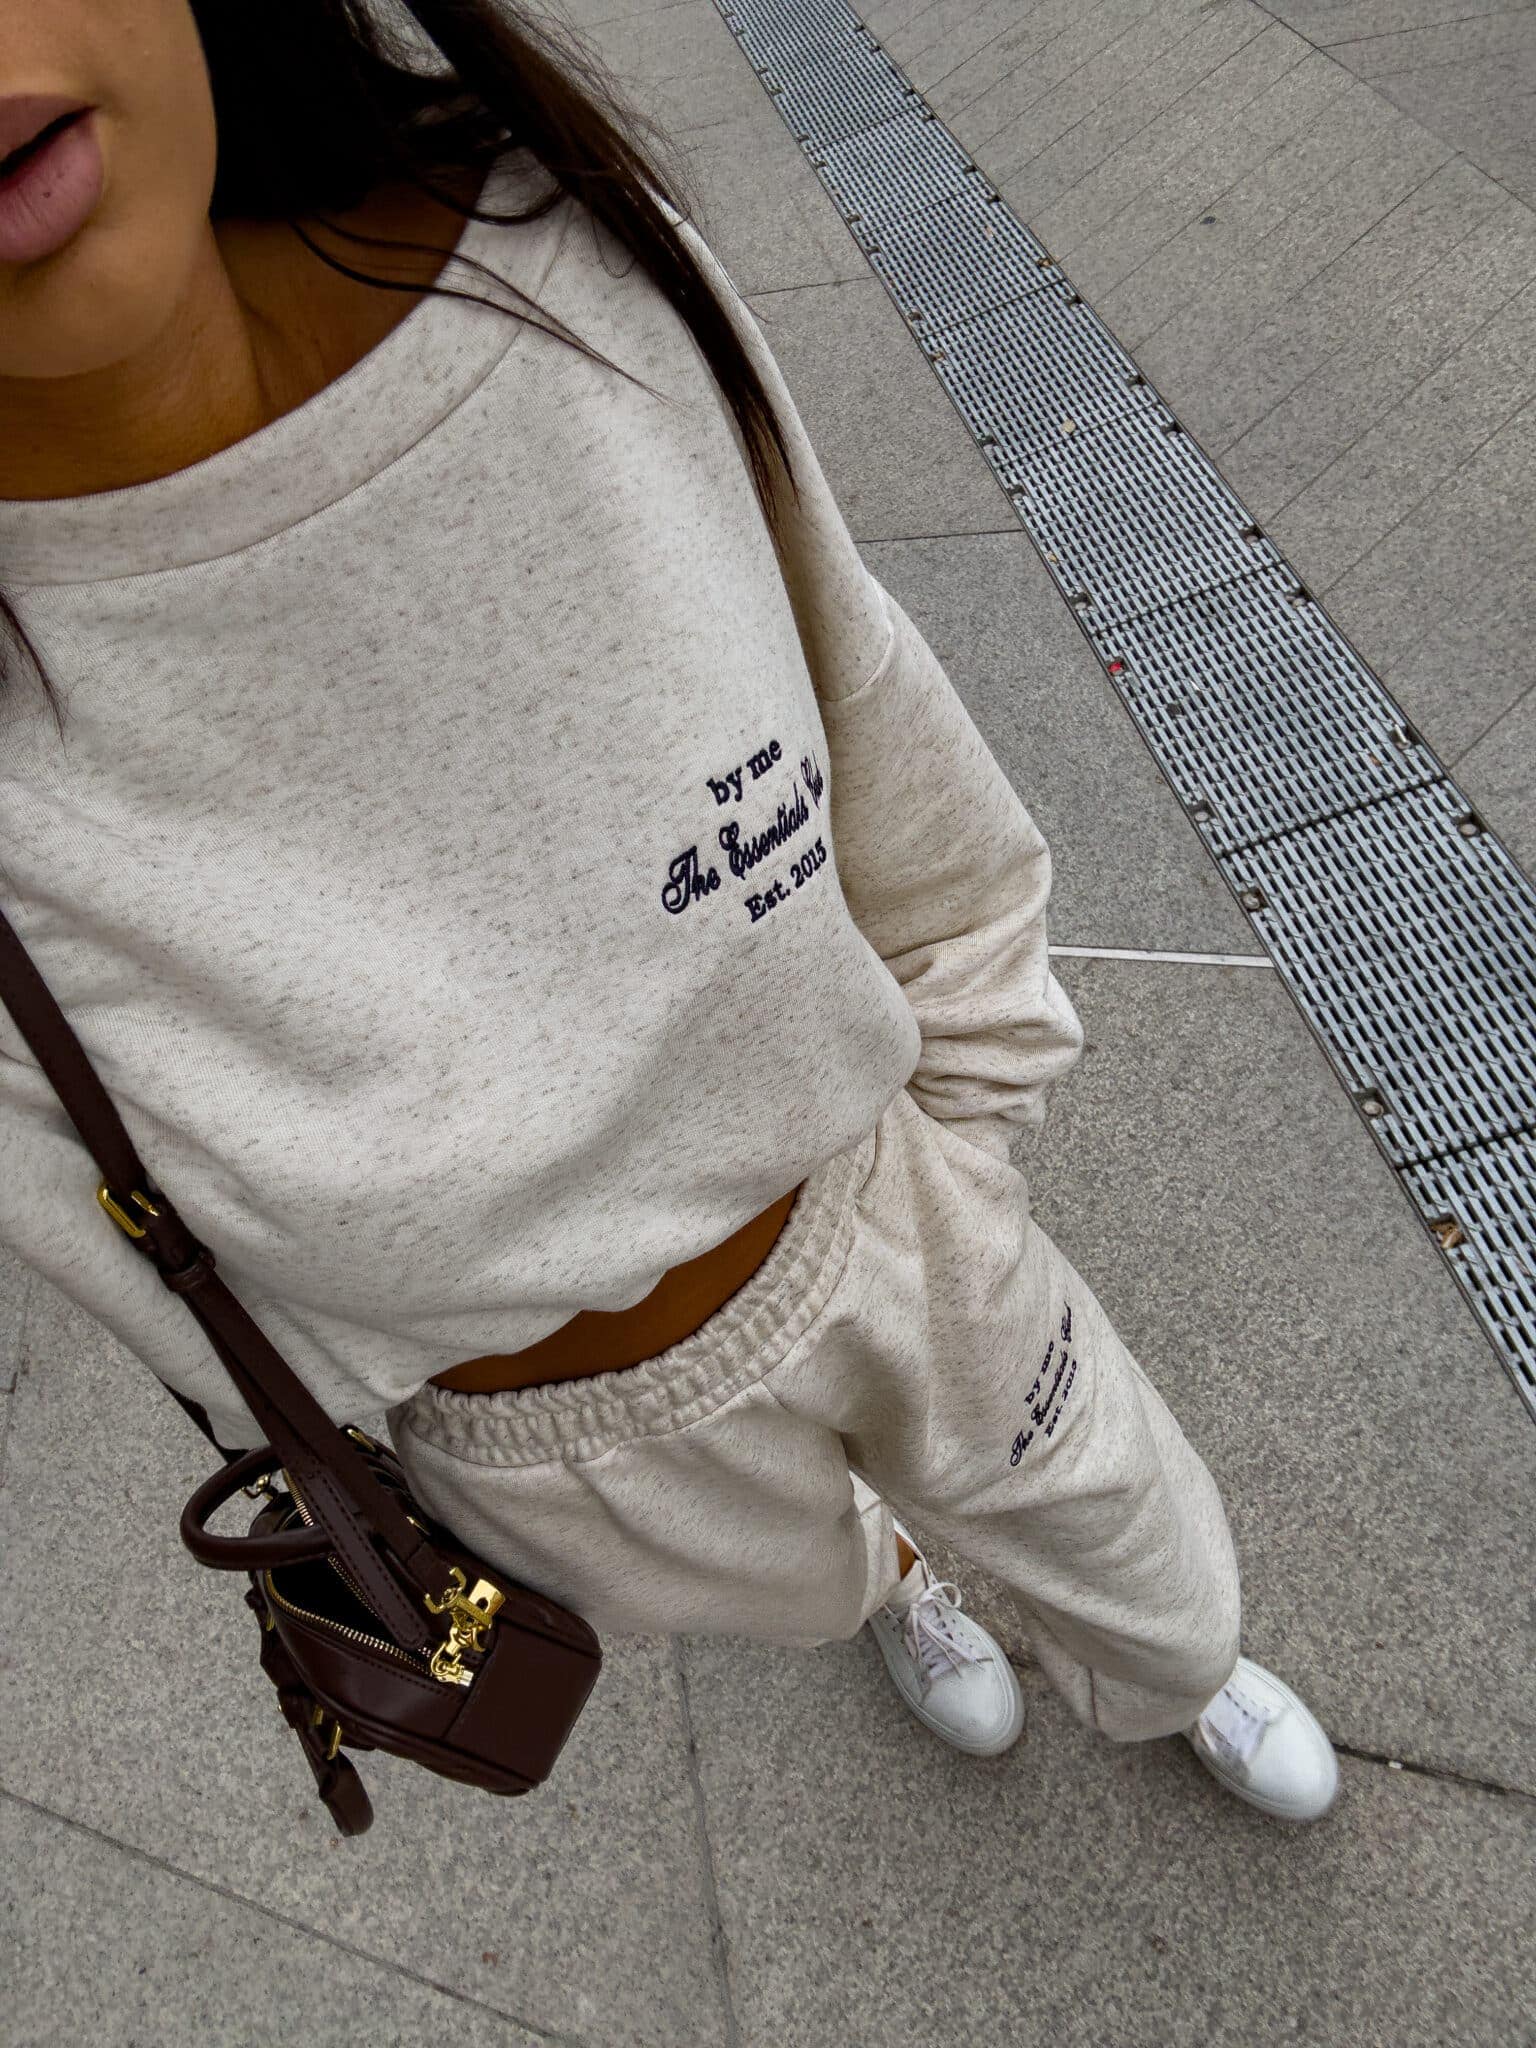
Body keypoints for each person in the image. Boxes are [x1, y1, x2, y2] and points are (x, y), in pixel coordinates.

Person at [0, 0, 1337, 1826]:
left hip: (883, 1209)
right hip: (554, 1443)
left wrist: (968, 1110)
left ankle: (1178, 1670)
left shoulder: (558, 267)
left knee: (1111, 1504)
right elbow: (105, 1235)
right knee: (812, 1582)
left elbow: (865, 696)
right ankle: (896, 1578)